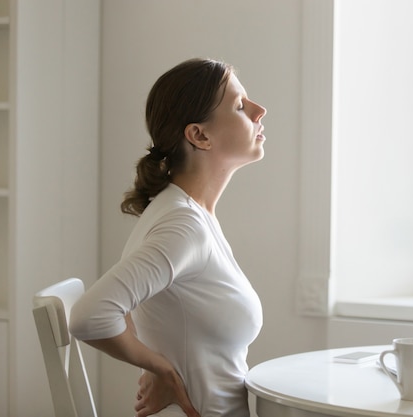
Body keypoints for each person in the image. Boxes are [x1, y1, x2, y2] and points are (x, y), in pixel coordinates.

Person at [69, 58, 267, 417]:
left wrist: (157, 356)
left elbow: (144, 307)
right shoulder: (184, 225)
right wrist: (161, 367)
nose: (259, 110)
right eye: (240, 105)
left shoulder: (185, 213)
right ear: (199, 135)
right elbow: (90, 315)